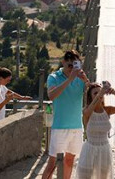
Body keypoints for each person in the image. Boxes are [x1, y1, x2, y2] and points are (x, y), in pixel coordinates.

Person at [42, 50, 89, 179]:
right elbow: (51, 95)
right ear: (63, 62)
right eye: (69, 65)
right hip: (60, 127)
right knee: (53, 163)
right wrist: (70, 79)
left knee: (69, 161)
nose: (71, 68)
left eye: (74, 65)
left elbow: (92, 94)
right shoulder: (54, 77)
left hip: (76, 127)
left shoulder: (80, 78)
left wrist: (86, 80)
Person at [76, 81, 115, 179]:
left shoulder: (107, 110)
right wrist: (101, 92)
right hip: (89, 149)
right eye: (95, 93)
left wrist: (114, 92)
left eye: (100, 92)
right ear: (90, 96)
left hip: (104, 149)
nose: (99, 95)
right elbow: (87, 113)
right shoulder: (87, 111)